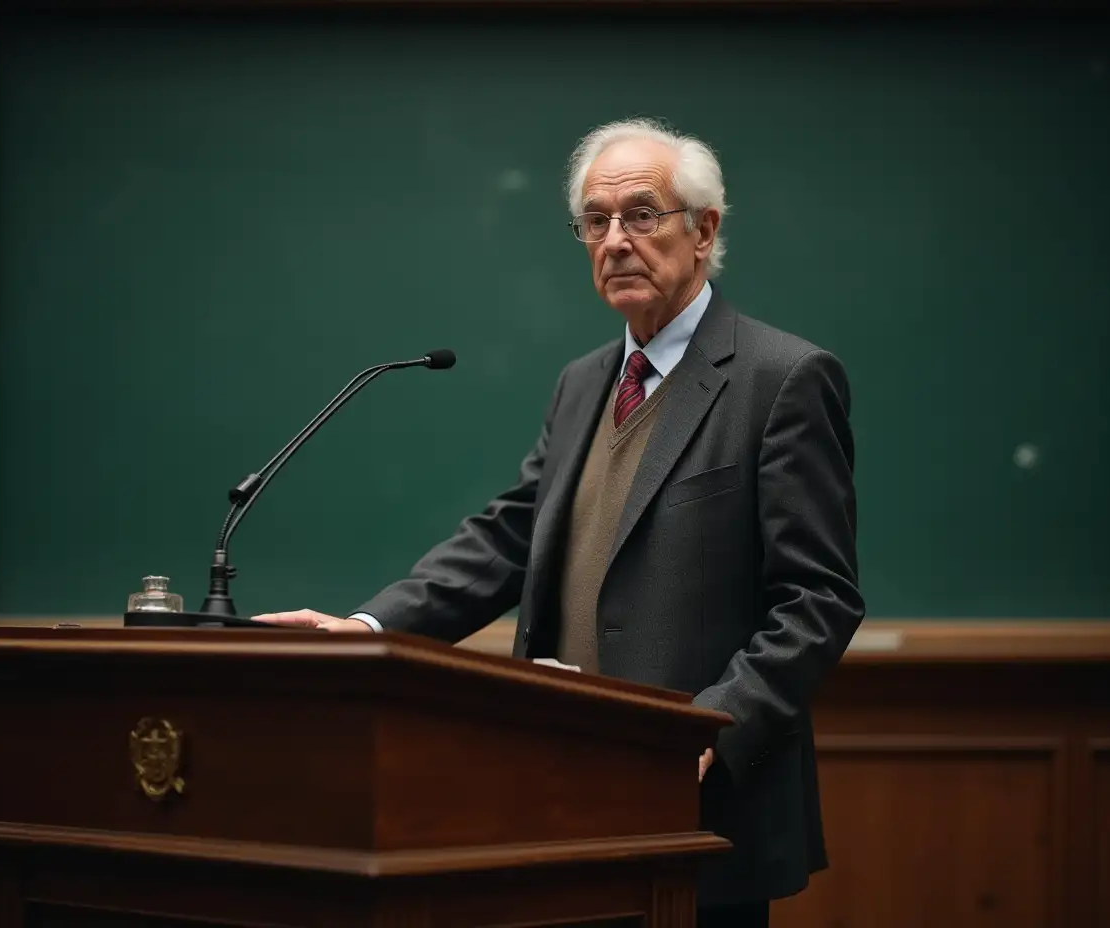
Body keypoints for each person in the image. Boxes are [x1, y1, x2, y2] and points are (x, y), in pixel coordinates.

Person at [256, 117, 866, 928]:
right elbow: (511, 536)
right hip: (558, 797)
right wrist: (368, 630)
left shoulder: (781, 379)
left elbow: (820, 598)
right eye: (596, 220)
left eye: (642, 214)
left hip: (695, 806)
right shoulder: (584, 382)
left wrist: (717, 725)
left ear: (703, 229)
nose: (615, 239)